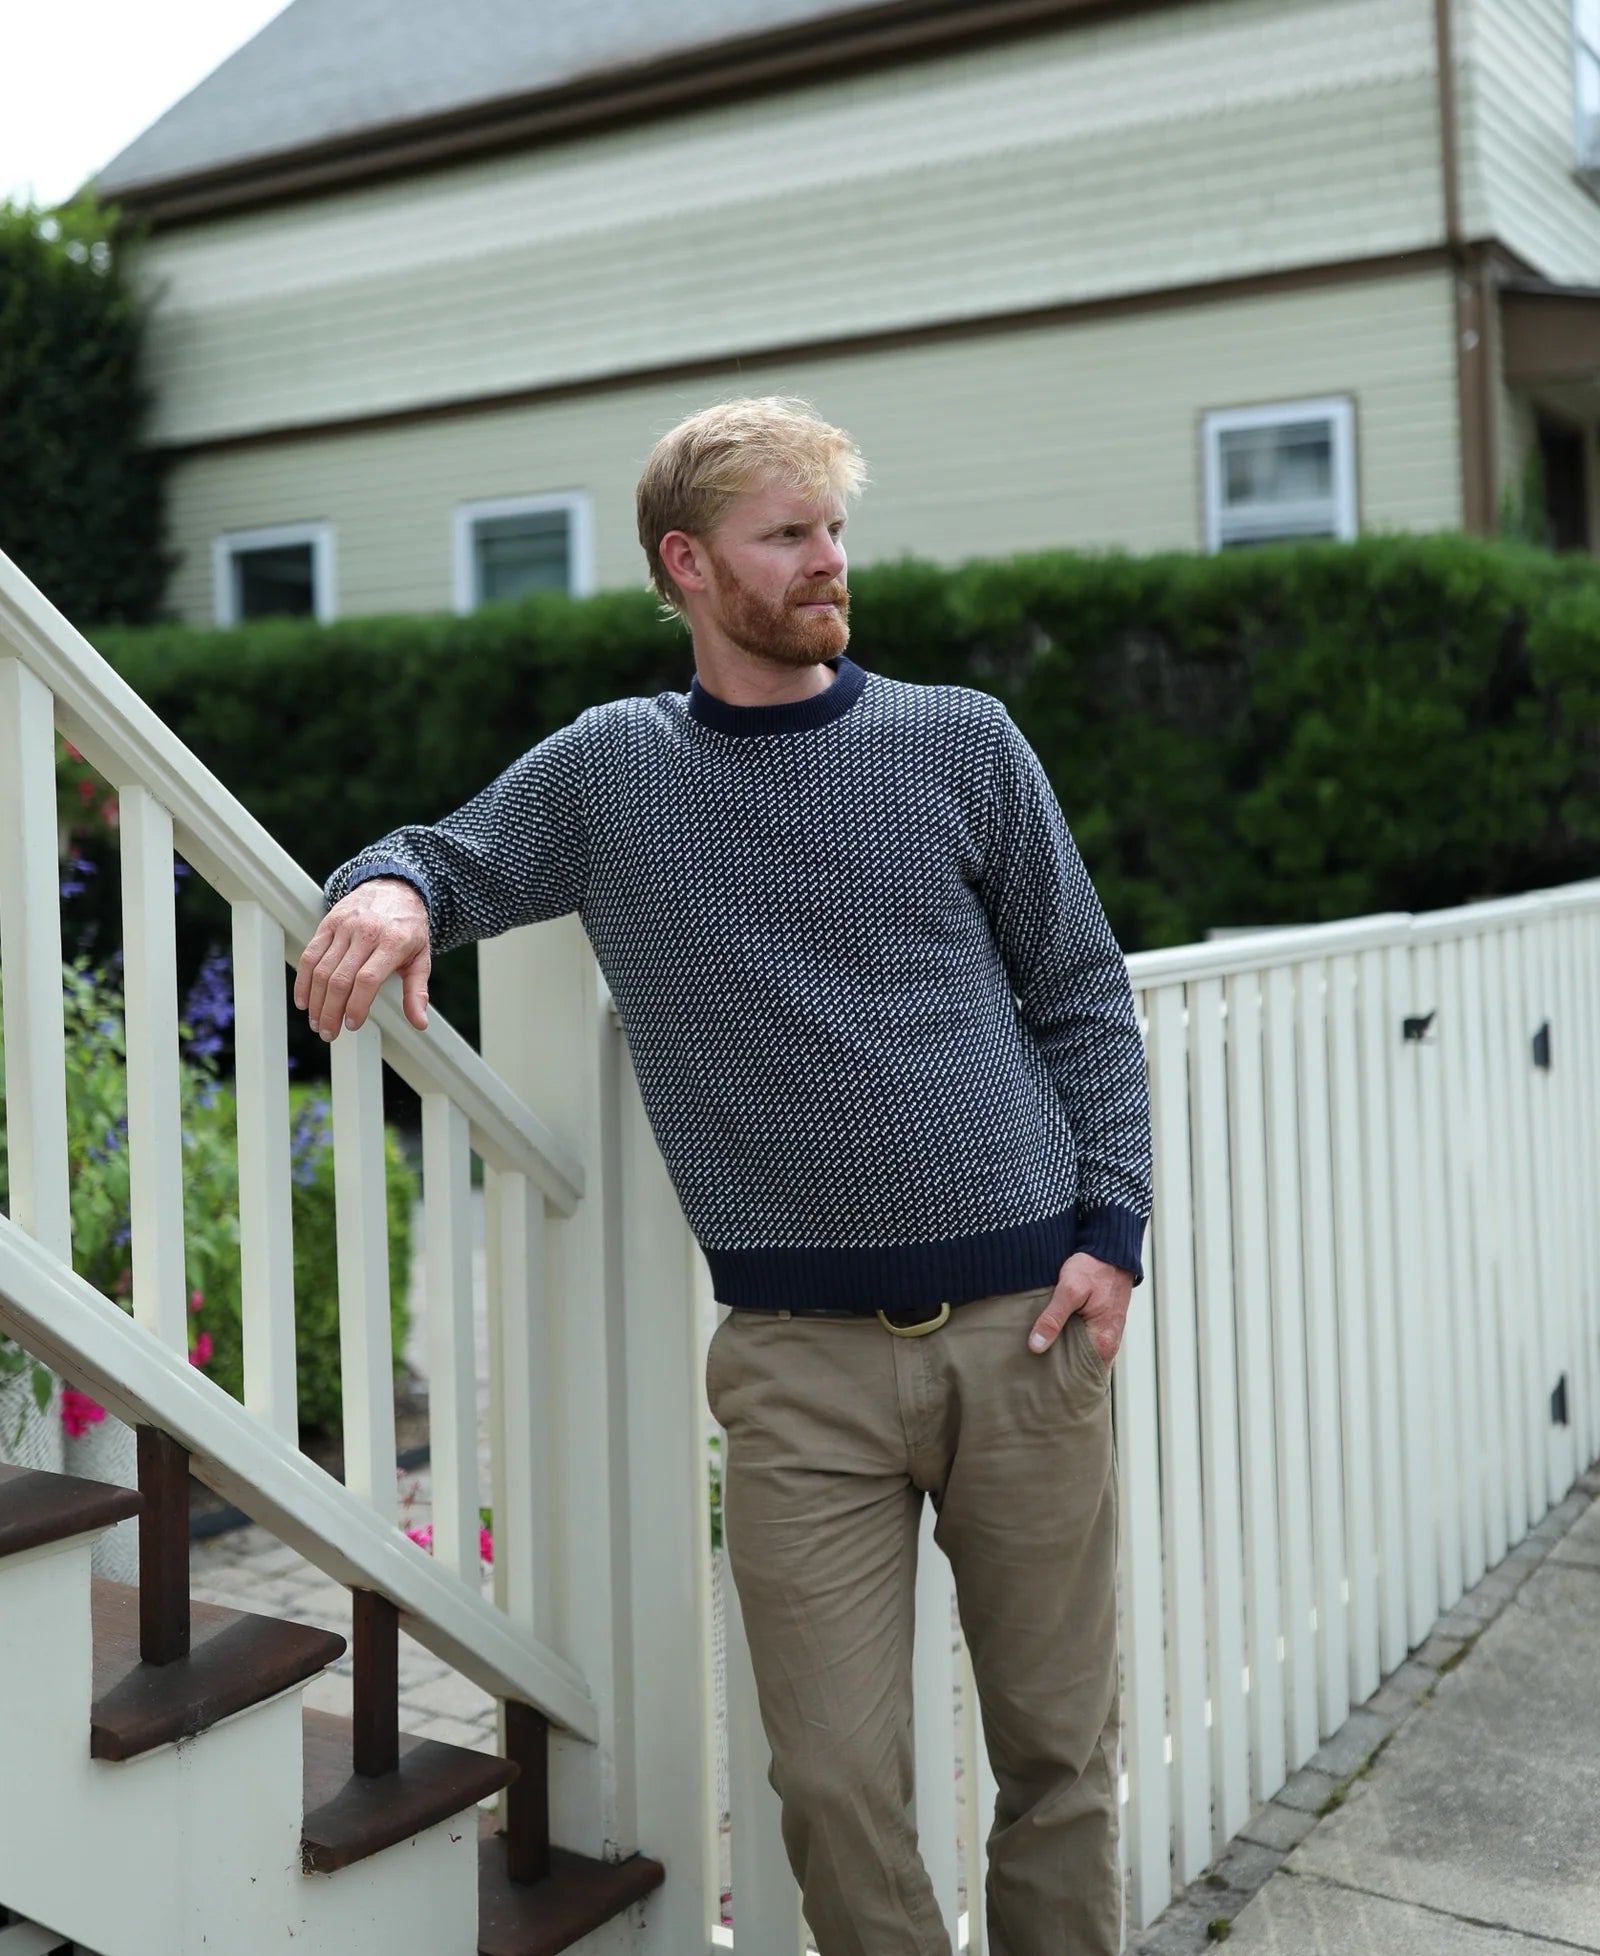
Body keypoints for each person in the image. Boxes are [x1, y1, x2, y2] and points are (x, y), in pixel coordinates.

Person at [296, 396, 1153, 1956]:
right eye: (790, 535)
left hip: (1029, 1327)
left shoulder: (962, 740)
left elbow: (1082, 991)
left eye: (836, 529)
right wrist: (390, 888)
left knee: (1058, 1762)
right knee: (829, 1781)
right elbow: (447, 850)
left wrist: (1113, 1233)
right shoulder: (615, 771)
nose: (830, 561)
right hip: (797, 1372)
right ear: (689, 564)